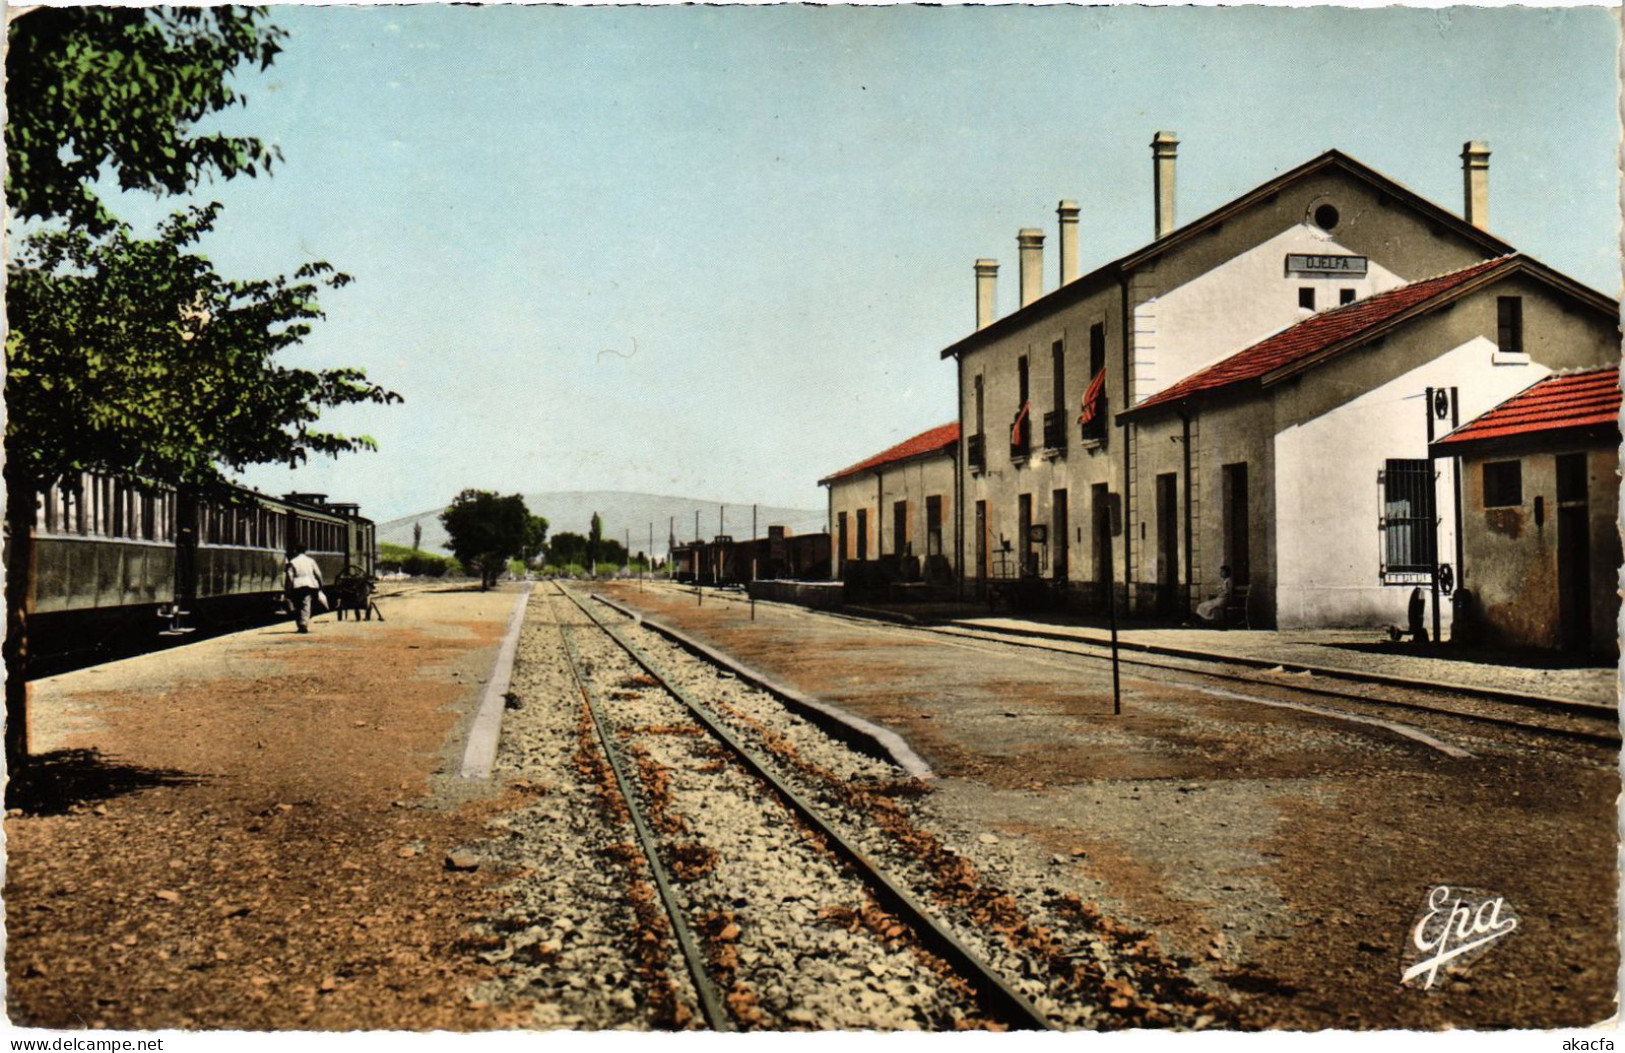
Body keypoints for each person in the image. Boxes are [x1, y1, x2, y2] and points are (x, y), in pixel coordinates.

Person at [284, 543, 324, 634]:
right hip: (309, 584)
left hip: (297, 585)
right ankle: (303, 624)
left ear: (296, 550)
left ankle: (300, 624)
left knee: (298, 605)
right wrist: (321, 584)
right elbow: (318, 574)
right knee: (306, 604)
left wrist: (288, 588)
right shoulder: (311, 561)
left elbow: (290, 576)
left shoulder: (293, 562)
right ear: (305, 551)